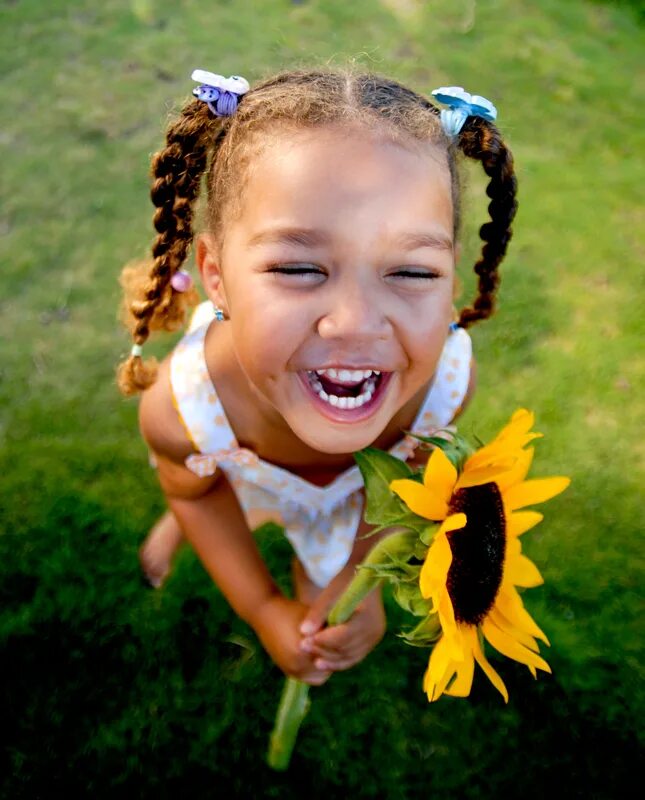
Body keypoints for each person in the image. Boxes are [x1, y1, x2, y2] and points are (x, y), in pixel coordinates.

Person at [116, 68, 517, 686]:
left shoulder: (443, 390)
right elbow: (192, 484)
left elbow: (405, 489)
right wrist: (262, 607)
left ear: (452, 283)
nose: (355, 324)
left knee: (320, 602)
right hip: (224, 459)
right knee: (201, 485)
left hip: (351, 502)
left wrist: (359, 582)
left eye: (411, 272)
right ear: (216, 276)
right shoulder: (183, 409)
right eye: (300, 266)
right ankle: (181, 525)